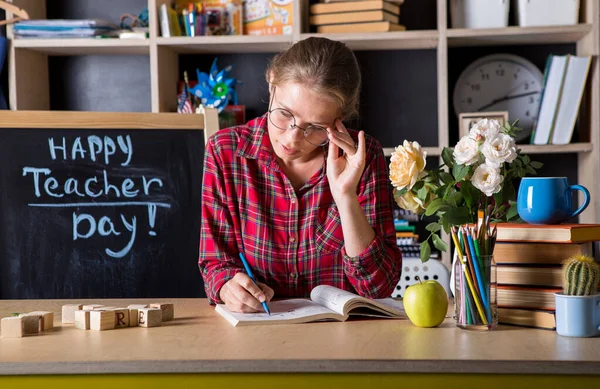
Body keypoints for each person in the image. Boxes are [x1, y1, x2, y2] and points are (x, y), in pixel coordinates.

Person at [198, 37, 402, 313]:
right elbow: (215, 263)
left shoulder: (363, 156)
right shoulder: (225, 152)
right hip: (257, 334)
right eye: (284, 114)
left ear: (340, 119)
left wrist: (345, 196)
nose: (292, 138)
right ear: (272, 84)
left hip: (344, 341)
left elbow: (377, 287)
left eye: (315, 127)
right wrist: (227, 285)